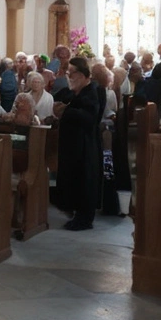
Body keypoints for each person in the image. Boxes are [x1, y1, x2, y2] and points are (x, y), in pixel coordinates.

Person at [51, 58, 101, 231]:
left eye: (70, 73)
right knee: (73, 179)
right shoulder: (75, 92)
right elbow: (63, 99)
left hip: (84, 147)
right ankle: (73, 211)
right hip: (73, 146)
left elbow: (89, 118)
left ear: (80, 74)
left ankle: (84, 218)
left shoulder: (92, 92)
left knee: (84, 180)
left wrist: (68, 111)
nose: (68, 76)